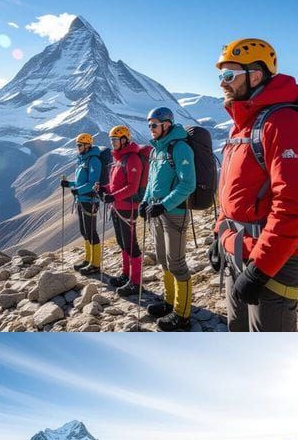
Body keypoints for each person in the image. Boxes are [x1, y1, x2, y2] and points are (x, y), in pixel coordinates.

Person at [215, 38, 298, 332]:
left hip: (273, 260)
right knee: (238, 333)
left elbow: (295, 208)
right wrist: (218, 234)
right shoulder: (246, 123)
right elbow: (230, 192)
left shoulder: (284, 123)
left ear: (256, 75)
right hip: (238, 250)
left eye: (229, 75)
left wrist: (261, 269)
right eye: (221, 76)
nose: (222, 83)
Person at [140, 106, 197, 332]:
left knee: (176, 263)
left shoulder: (180, 147)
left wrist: (164, 204)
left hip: (175, 213)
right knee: (163, 259)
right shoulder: (156, 150)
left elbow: (188, 184)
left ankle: (182, 315)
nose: (151, 129)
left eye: (154, 124)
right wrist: (145, 201)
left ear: (167, 124)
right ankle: (169, 302)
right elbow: (151, 181)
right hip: (157, 212)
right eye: (149, 125)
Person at [104, 125, 146, 297]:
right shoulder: (119, 159)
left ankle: (136, 282)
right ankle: (125, 274)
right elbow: (115, 185)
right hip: (118, 207)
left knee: (131, 244)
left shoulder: (132, 159)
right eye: (111, 140)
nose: (112, 143)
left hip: (128, 208)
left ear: (124, 140)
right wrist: (104, 189)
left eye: (115, 140)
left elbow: (132, 187)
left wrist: (113, 196)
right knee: (122, 242)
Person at [61, 133, 104, 275]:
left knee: (91, 231)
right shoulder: (82, 160)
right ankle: (88, 259)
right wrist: (69, 184)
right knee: (84, 231)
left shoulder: (94, 160)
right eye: (77, 145)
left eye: (80, 145)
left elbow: (93, 183)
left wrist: (78, 190)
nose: (77, 148)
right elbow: (81, 182)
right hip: (81, 199)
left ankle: (96, 264)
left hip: (90, 200)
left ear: (87, 145)